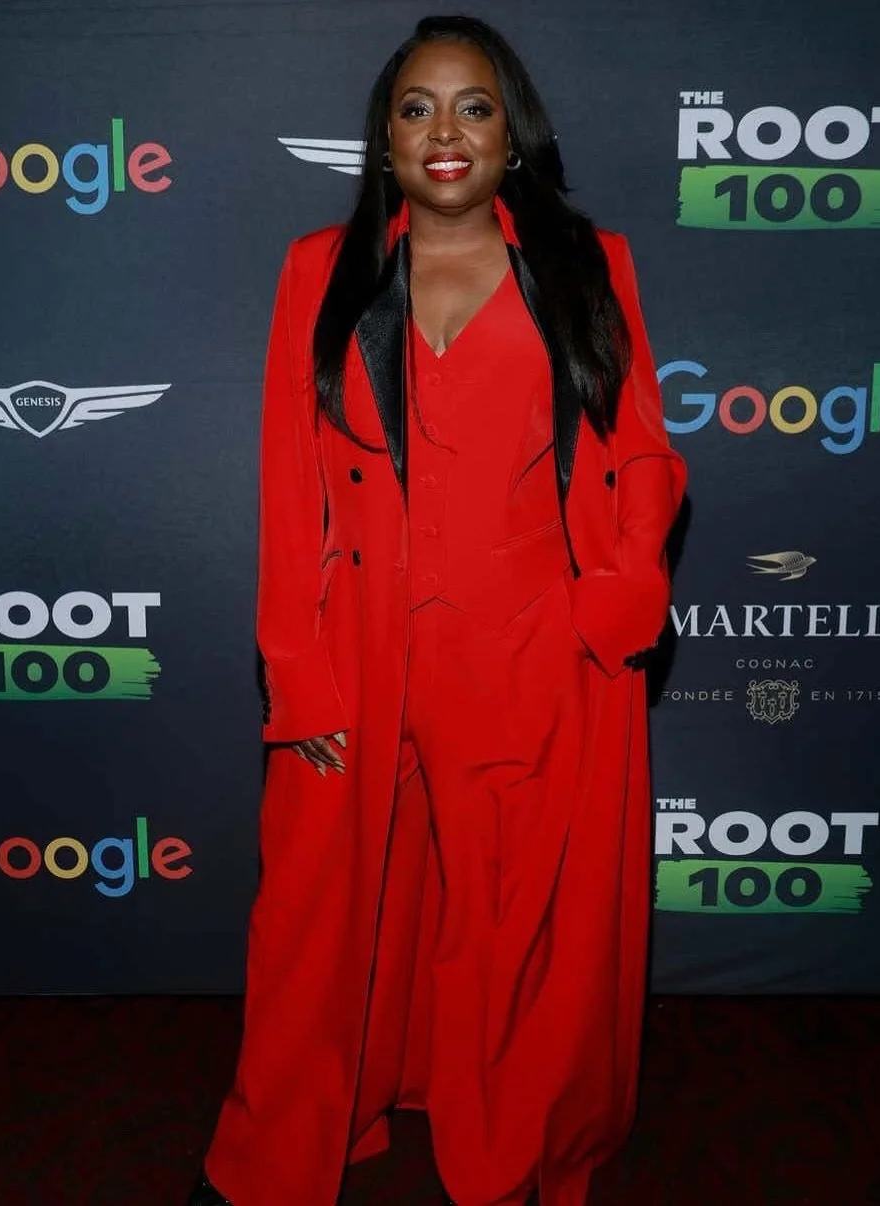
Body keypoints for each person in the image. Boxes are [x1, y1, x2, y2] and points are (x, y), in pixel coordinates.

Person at [189, 13, 686, 1206]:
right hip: (358, 649)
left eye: (472, 106)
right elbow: (288, 482)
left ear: (512, 134)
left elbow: (641, 454)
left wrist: (616, 598)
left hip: (526, 649)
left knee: (509, 927)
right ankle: (282, 1153)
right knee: (318, 923)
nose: (444, 131)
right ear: (384, 142)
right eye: (416, 108)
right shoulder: (321, 268)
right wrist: (295, 669)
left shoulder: (583, 260)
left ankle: (504, 1156)